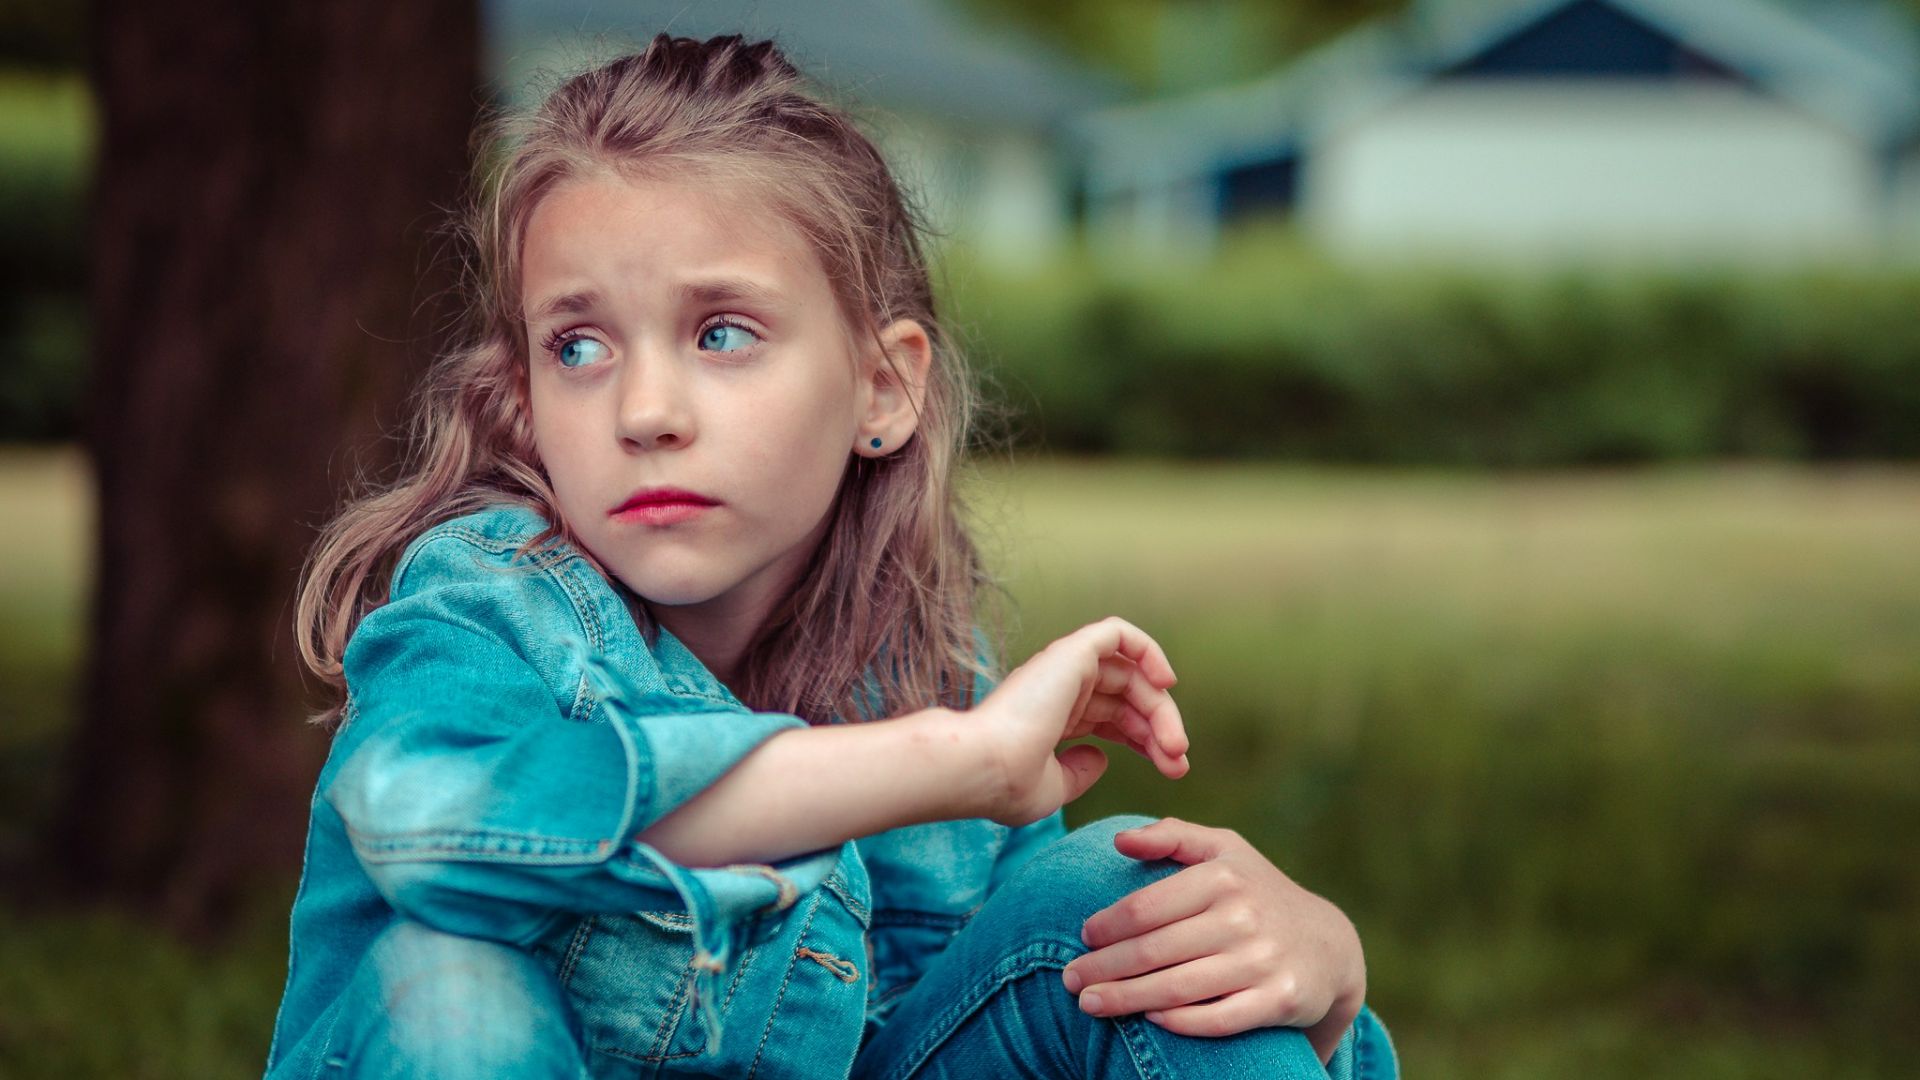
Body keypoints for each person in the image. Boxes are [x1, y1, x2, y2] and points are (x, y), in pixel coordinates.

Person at [263, 33, 1398, 1080]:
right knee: (448, 986)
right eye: (579, 345)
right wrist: (947, 761)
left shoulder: (923, 675)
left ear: (883, 387)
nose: (645, 409)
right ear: (521, 407)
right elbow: (427, 827)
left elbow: (1034, 992)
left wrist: (1331, 977)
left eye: (721, 333)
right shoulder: (483, 607)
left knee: (1138, 912)